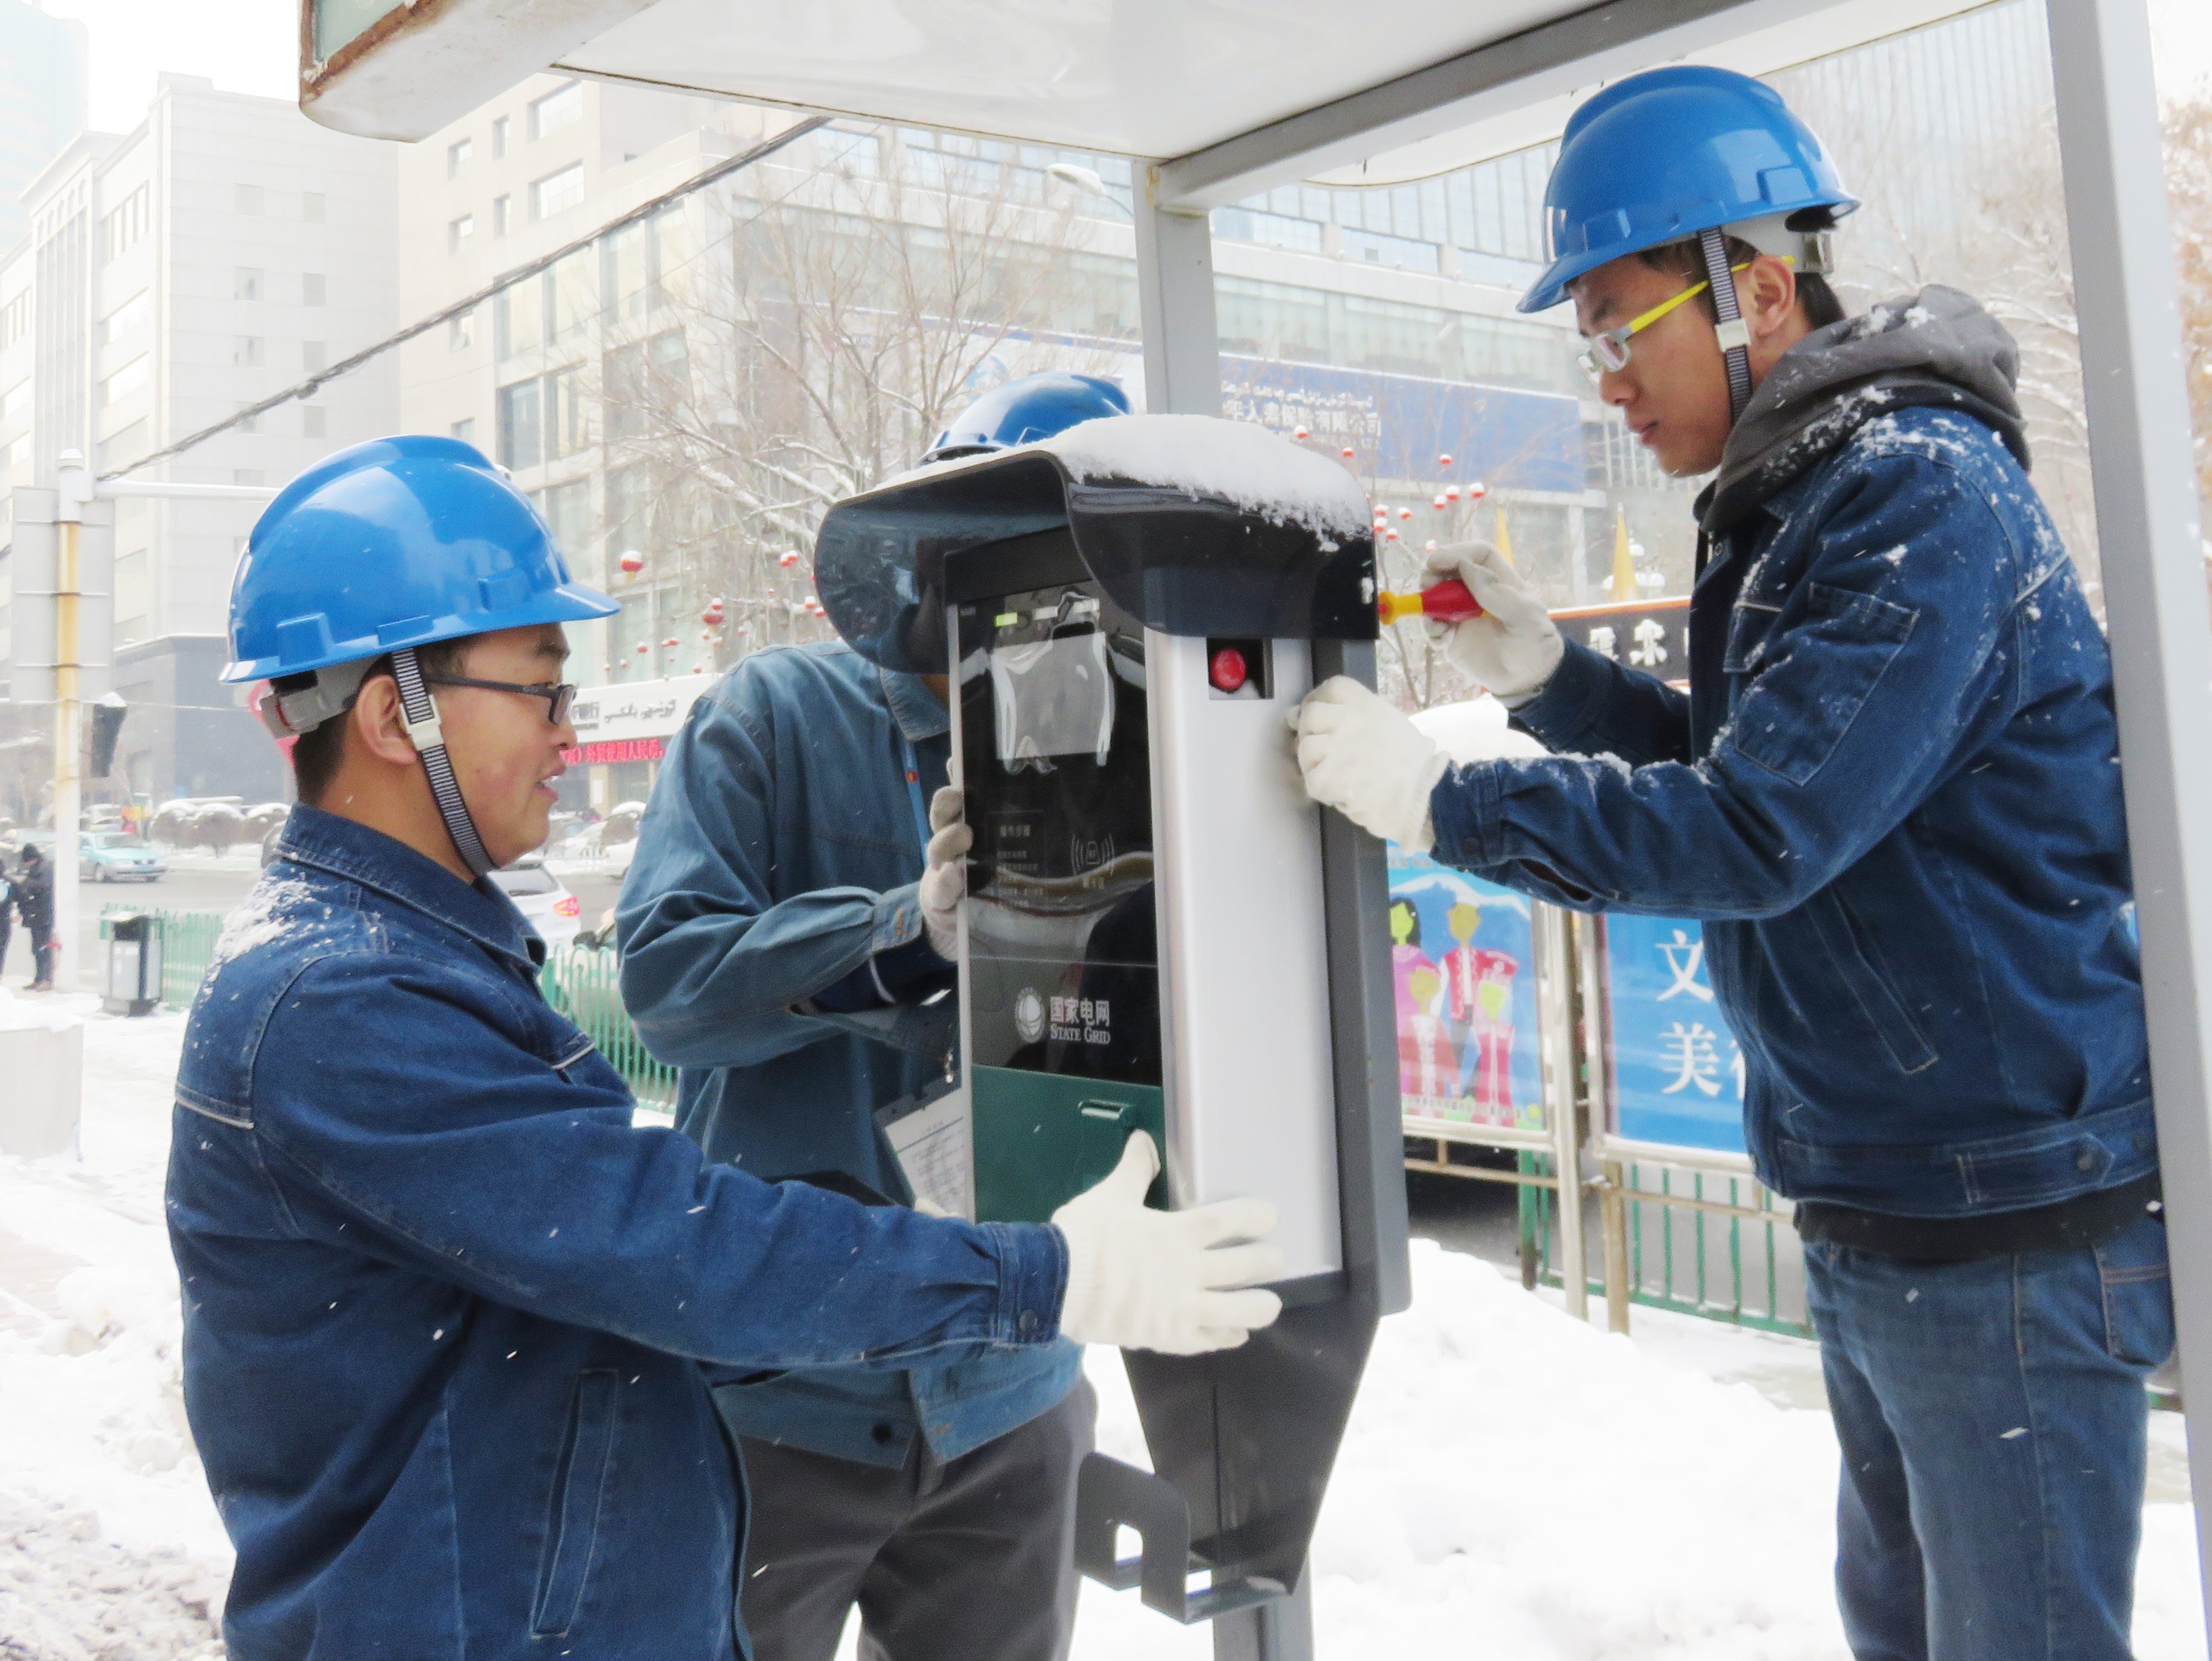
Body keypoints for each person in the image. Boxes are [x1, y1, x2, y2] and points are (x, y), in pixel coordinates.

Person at [1293, 65, 2167, 1661]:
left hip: (2004, 1228)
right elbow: (1765, 766)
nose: (1606, 384)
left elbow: (1760, 830)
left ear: (1753, 285)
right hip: (1891, 1197)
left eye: (1620, 328)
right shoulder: (1807, 498)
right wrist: (1550, 678)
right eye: (1588, 346)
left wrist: (1444, 807)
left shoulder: (1913, 494)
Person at [169, 435, 1280, 1661]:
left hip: (951, 1410)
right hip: (587, 1533)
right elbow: (668, 1233)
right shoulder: (343, 1000)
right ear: (395, 715)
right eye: (543, 688)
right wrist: (1038, 1270)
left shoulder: (410, 953)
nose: (567, 735)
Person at [616, 370, 1137, 1661]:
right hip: (779, 1400)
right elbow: (670, 986)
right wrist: (905, 937)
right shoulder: (776, 719)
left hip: (1011, 1397)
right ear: (938, 557)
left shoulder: (1135, 752)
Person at [16, 843, 54, 990]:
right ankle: (39, 979)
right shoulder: (37, 868)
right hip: (37, 915)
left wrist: (26, 886)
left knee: (43, 948)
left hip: (43, 915)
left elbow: (42, 886)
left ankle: (45, 979)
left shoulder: (45, 869)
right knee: (37, 948)